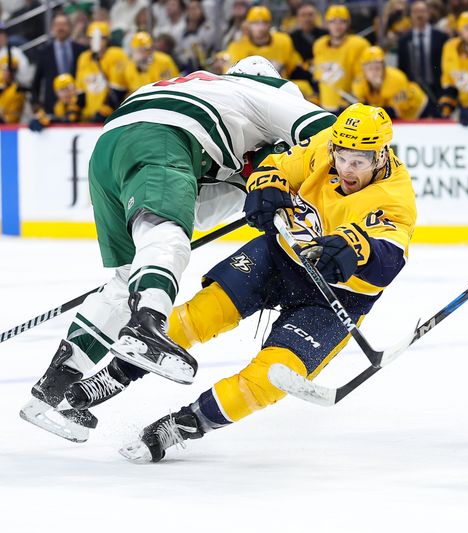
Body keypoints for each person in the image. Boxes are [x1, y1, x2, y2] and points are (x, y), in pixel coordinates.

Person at [19, 56, 337, 444]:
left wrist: (258, 191)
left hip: (111, 148)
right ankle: (146, 326)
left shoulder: (204, 92)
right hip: (163, 137)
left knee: (125, 281)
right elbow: (332, 133)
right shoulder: (269, 92)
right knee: (167, 236)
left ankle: (52, 386)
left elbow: (204, 209)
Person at [104, 103, 415, 463]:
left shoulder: (396, 198)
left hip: (337, 297)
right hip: (279, 259)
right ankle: (113, 376)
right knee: (199, 315)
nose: (346, 168)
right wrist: (267, 188)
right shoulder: (324, 145)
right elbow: (275, 168)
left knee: (271, 377)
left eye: (358, 161)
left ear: (380, 157)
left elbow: (387, 262)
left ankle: (183, 425)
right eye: (342, 156)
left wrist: (353, 251)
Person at [312, 5, 370, 113]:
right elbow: (318, 75)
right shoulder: (319, 45)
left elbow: (363, 76)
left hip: (349, 108)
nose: (337, 26)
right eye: (333, 21)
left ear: (348, 23)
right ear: (326, 24)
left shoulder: (358, 45)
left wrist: (356, 96)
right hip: (323, 108)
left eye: (342, 21)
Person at [352, 46, 434, 119]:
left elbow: (394, 113)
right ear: (364, 69)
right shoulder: (359, 81)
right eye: (370, 68)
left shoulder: (396, 79)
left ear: (384, 67)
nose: (374, 72)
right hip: (397, 115)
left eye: (377, 68)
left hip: (418, 109)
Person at [31, 14, 87, 113]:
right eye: (57, 25)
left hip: (78, 107)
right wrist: (36, 103)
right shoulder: (44, 52)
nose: (60, 28)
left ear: (70, 27)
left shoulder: (81, 50)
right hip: (51, 107)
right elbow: (37, 81)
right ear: (52, 28)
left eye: (64, 24)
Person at [74, 21, 129, 122]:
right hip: (90, 115)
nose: (96, 41)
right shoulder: (83, 58)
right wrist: (74, 110)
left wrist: (106, 110)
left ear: (107, 39)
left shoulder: (117, 55)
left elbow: (119, 89)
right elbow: (81, 91)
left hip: (113, 116)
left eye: (101, 38)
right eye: (92, 38)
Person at [397, 0, 449, 101]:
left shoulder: (441, 37)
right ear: (411, 15)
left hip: (438, 88)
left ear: (429, 13)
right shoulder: (404, 40)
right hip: (414, 91)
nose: (419, 15)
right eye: (416, 11)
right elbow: (401, 67)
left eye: (423, 11)